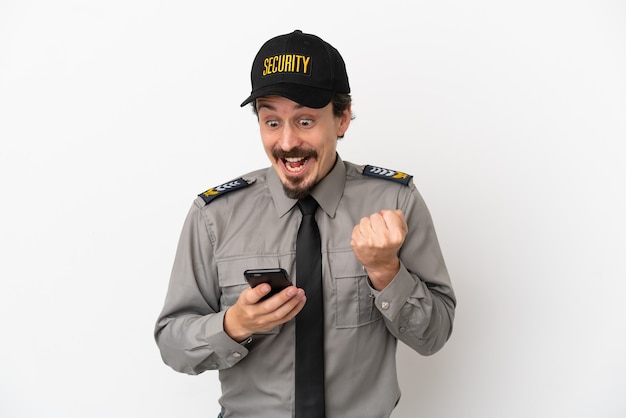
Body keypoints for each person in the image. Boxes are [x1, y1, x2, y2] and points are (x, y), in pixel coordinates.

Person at [154, 29, 456, 418]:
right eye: (272, 122)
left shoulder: (395, 202)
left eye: (305, 120)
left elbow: (434, 336)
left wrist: (386, 270)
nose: (287, 142)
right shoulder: (215, 215)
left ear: (342, 118)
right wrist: (234, 324)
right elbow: (172, 345)